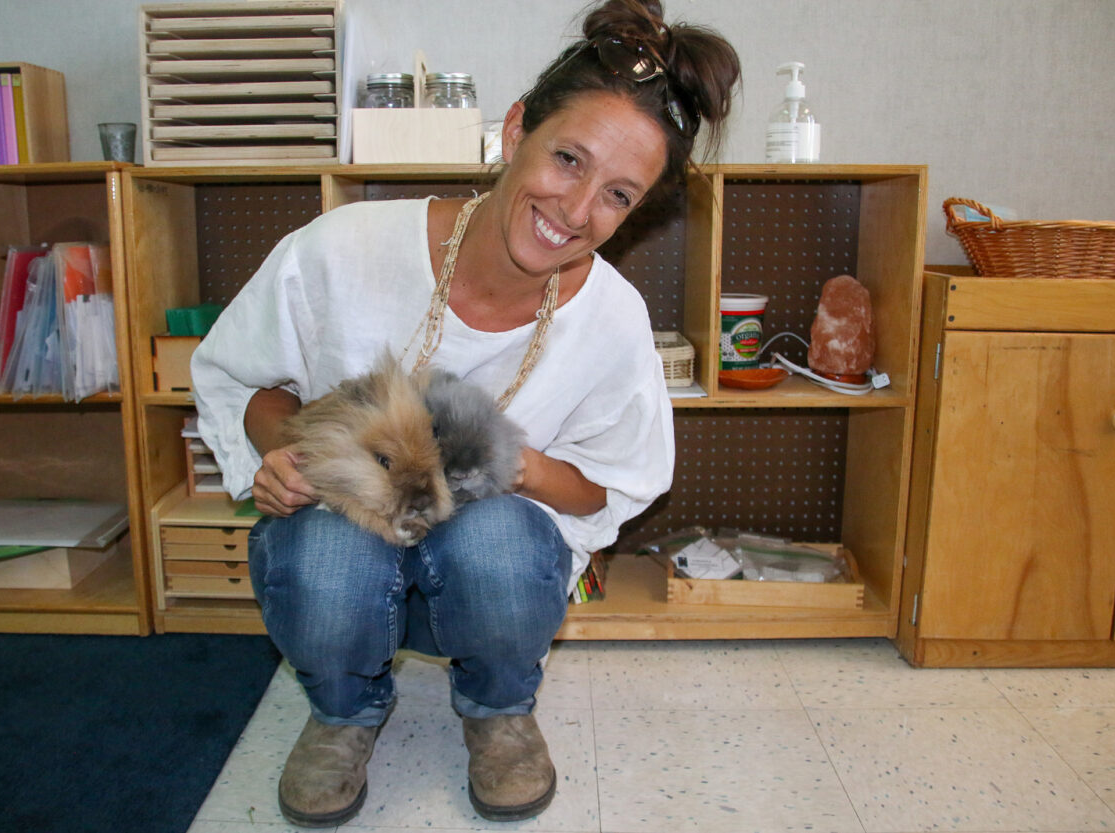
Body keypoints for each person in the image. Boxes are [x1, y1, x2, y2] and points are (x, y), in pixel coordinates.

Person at [190, 0, 741, 825]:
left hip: (487, 577)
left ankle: (496, 707)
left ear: (634, 212)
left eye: (616, 194)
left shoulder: (613, 320)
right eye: (566, 158)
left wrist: (512, 464)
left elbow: (608, 490)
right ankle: (343, 710)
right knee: (325, 555)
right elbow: (254, 381)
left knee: (498, 534)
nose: (575, 207)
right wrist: (282, 454)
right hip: (347, 538)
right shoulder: (344, 246)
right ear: (515, 127)